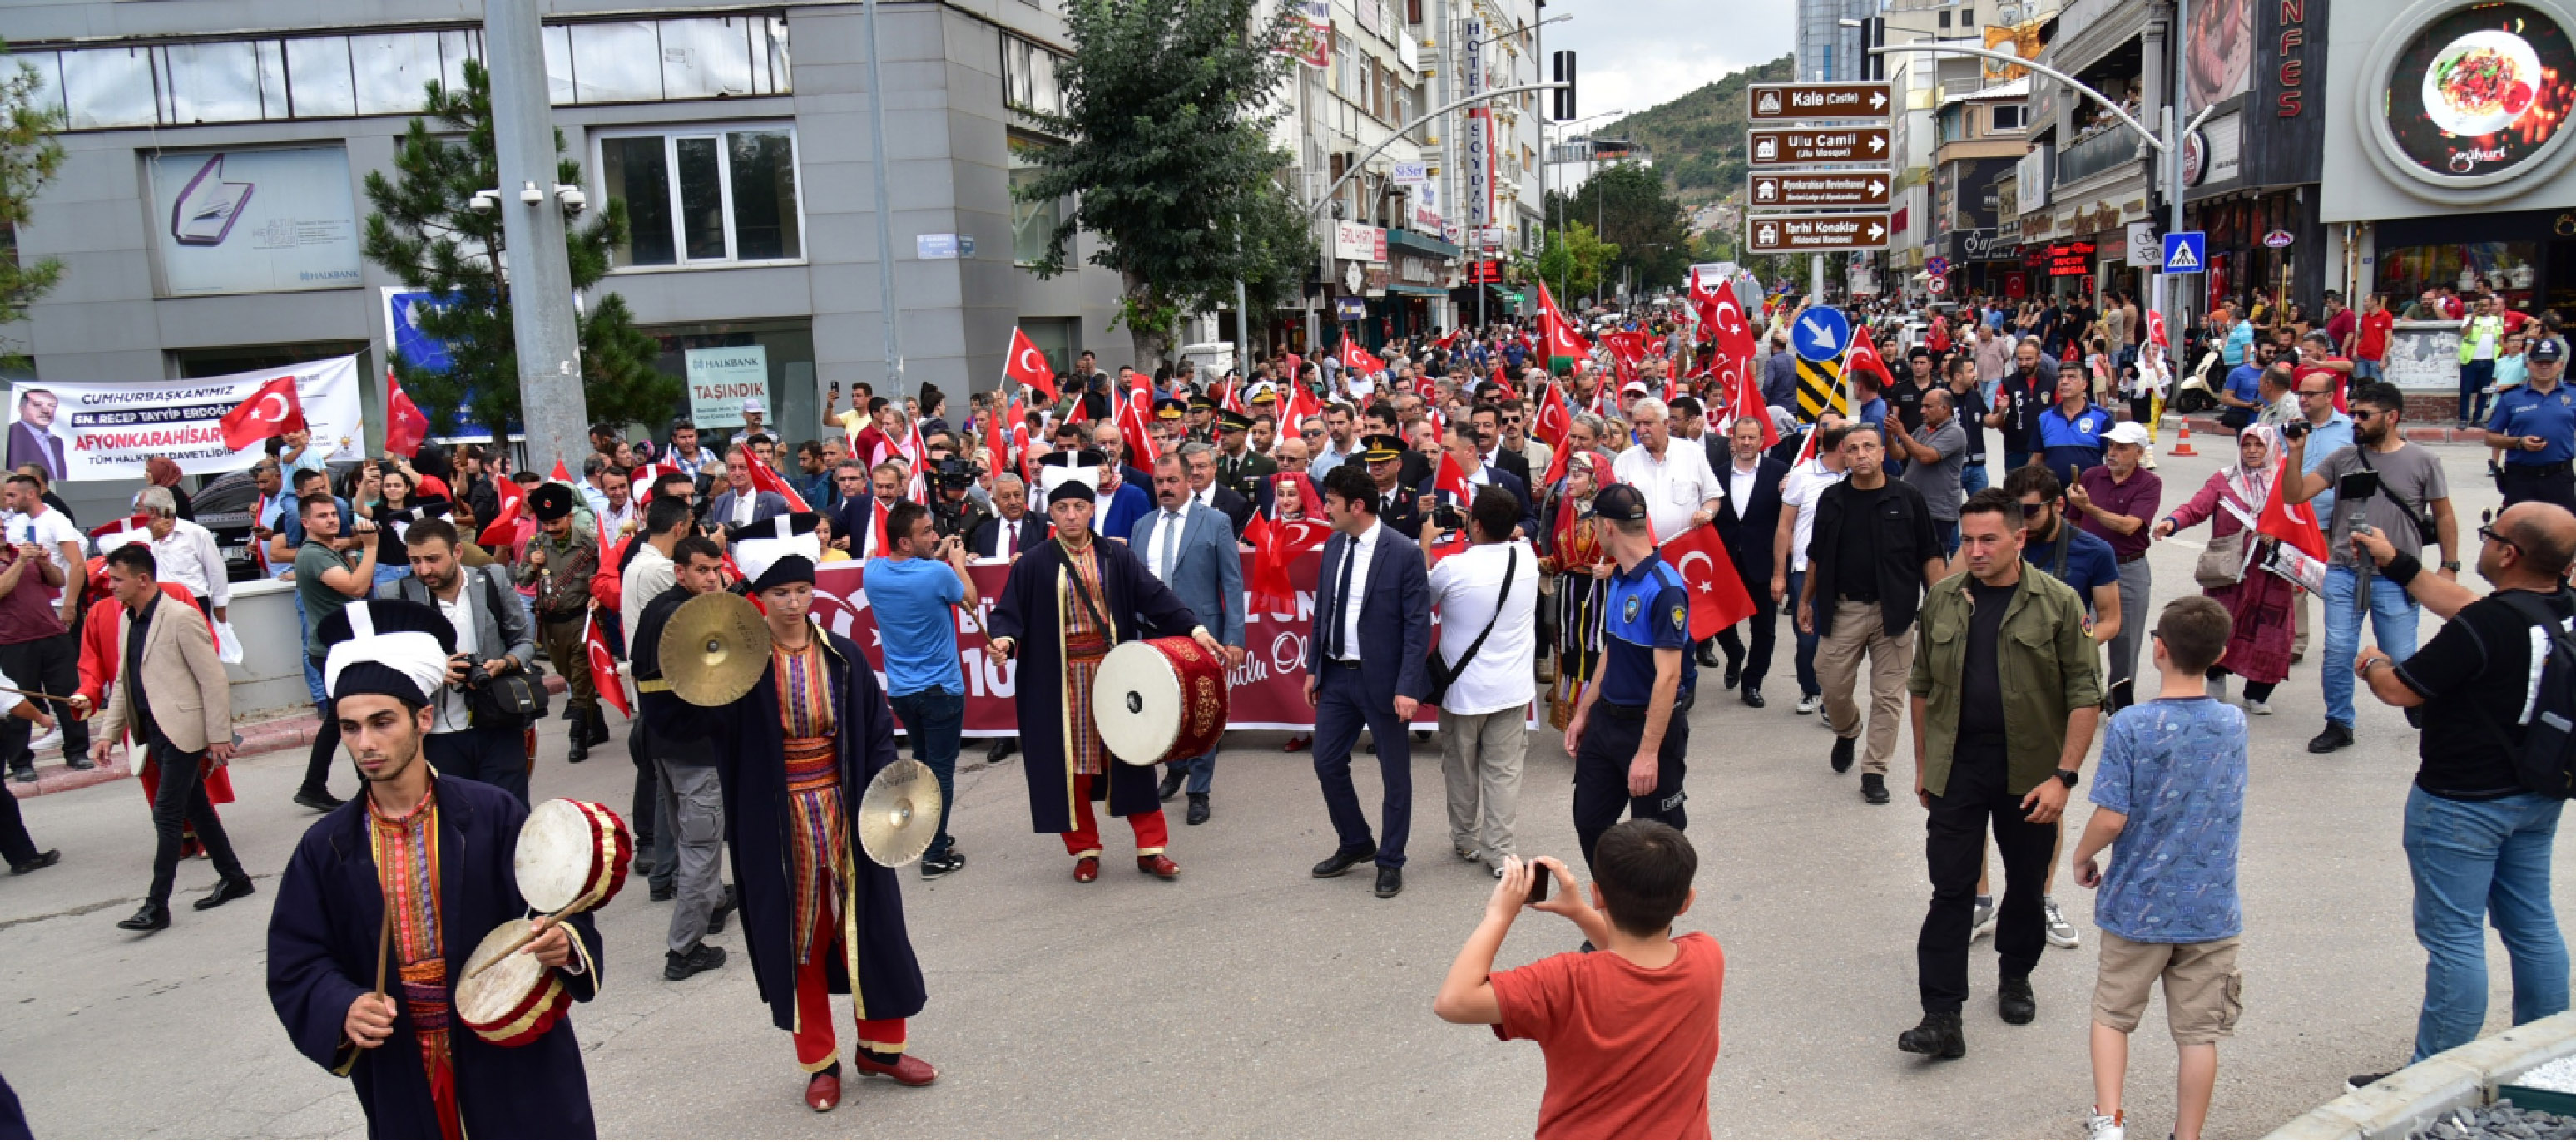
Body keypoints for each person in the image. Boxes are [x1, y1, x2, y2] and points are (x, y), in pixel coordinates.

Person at [267, 597, 605, 1139]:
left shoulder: (491, 814)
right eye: (350, 728)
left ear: (423, 717)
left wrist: (564, 941)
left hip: (507, 1050)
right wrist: (343, 1005)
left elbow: (558, 906)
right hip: (402, 1064)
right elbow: (297, 958)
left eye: (382, 722)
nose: (367, 743)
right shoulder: (326, 846)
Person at [2341, 504, 2576, 1083]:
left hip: (2460, 802)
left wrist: (2372, 663)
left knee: (2454, 936)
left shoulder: (2485, 627)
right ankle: (2544, 1060)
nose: (2485, 541)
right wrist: (2399, 564)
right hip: (2536, 791)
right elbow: (2471, 606)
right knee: (2532, 922)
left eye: (2491, 533)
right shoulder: (2559, 608)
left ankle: (2433, 1075)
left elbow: (2401, 689)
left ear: (2510, 553)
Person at [1900, 488, 2103, 1060]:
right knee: (1951, 889)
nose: (1975, 549)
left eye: (1988, 539)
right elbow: (1921, 685)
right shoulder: (1943, 597)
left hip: (2031, 767)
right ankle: (1942, 1014)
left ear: (2020, 538)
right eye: (1966, 539)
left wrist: (2064, 776)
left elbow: (2087, 693)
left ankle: (2016, 973)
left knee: (2024, 880)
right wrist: (1922, 764)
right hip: (1957, 764)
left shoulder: (2059, 603)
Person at [986, 452, 1219, 882]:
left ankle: (1152, 848)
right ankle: (1085, 850)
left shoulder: (1115, 555)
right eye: (1062, 508)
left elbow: (1156, 597)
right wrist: (1003, 639)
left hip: (1115, 675)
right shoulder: (1035, 562)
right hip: (1059, 682)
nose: (1071, 515)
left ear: (1092, 509)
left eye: (1079, 507)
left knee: (1132, 758)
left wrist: (1196, 629)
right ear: (1051, 513)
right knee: (1070, 765)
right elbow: (1008, 613)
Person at [2071, 596, 2248, 1142]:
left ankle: (2110, 1120)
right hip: (2211, 906)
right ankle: (2188, 1135)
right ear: (2220, 653)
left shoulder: (2131, 726)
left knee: (2112, 1012)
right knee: (2198, 1033)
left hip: (2137, 902)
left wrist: (2083, 855)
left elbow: (2112, 815)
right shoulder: (2232, 723)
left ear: (2158, 649)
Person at [1430, 824, 1724, 1141]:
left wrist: (1499, 916)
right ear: (1686, 901)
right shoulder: (1706, 957)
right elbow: (1630, 961)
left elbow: (1454, 1002)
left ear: (1597, 894)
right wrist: (1580, 913)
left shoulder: (1566, 981)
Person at [2281, 380, 2460, 754]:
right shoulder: (2344, 459)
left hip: (2396, 575)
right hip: (2345, 571)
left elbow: (2444, 515)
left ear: (2391, 417)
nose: (2355, 421)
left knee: (2401, 653)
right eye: (2354, 413)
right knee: (2339, 650)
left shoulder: (2423, 461)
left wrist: (2449, 566)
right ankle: (2339, 722)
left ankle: (2418, 702)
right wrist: (2295, 453)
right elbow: (2295, 495)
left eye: (2363, 415)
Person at [87, 545, 248, 932]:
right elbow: (125, 682)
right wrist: (109, 733)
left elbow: (212, 679)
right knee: (197, 807)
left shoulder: (180, 617)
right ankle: (235, 877)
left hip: (183, 731)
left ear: (142, 580)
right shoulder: (128, 619)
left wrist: (219, 735)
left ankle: (156, 905)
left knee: (167, 813)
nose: (110, 586)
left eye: (117, 579)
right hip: (151, 732)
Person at [1305, 462, 1434, 899]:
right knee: (1326, 762)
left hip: (1384, 682)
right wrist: (1312, 667)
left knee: (1394, 776)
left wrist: (1408, 687)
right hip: (1337, 677)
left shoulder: (1403, 553)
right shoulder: (1333, 546)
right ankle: (1356, 841)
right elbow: (1323, 610)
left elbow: (1418, 628)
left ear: (1356, 505)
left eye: (1332, 502)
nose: (1325, 509)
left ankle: (1391, 860)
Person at [1802, 424, 1947, 805]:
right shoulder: (1831, 500)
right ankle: (1848, 730)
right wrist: (1805, 600)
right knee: (1830, 684)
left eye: (1869, 447)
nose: (1862, 454)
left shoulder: (1908, 497)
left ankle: (1874, 770)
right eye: (1853, 449)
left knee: (1889, 697)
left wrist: (1942, 606)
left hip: (1894, 613)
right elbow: (1816, 555)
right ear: (1844, 457)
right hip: (1843, 608)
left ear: (1883, 453)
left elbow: (1930, 554)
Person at [1559, 484, 1697, 868]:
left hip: (1648, 728)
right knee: (1590, 822)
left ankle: (1650, 925)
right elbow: (1611, 650)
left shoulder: (1665, 589)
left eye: (1595, 525)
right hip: (1606, 722)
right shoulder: (1619, 576)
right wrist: (1585, 712)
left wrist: (1648, 754)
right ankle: (1612, 915)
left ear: (1608, 527)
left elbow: (1668, 679)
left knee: (1655, 840)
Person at [372, 519, 537, 804]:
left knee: (510, 817)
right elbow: (386, 666)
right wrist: (434, 672)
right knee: (453, 826)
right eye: (415, 561)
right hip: (435, 734)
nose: (424, 570)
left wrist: (505, 663)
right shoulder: (394, 595)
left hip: (498, 724)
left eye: (433, 559)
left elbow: (523, 641)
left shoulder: (492, 581)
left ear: (457, 551)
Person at [1426, 485, 1539, 877]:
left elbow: (1420, 600)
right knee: (1504, 771)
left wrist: (1427, 544)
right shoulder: (1527, 558)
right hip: (1512, 690)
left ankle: (1466, 838)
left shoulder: (1453, 568)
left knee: (1461, 767)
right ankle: (1501, 850)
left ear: (1474, 524)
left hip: (1463, 692)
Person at [1132, 454, 1246, 824]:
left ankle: (1200, 789)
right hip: (1152, 633)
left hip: (1202, 634)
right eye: (1159, 481)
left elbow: (1232, 582)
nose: (1165, 488)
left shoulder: (1215, 522)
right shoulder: (1142, 526)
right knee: (1162, 710)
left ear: (1188, 481)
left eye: (1172, 480)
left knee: (1202, 710)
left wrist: (1235, 639)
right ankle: (1175, 768)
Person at [867, 502, 978, 875]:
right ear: (903, 541)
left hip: (902, 691)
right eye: (926, 532)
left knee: (924, 764)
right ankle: (933, 852)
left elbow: (877, 557)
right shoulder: (936, 574)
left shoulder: (874, 573)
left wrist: (935, 554)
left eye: (933, 529)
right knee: (941, 771)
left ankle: (931, 834)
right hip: (940, 689)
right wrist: (957, 563)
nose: (934, 537)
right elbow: (970, 599)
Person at [291, 492, 376, 811]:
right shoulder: (313, 555)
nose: (331, 519)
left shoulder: (325, 549)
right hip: (331, 650)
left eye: (333, 514)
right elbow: (356, 586)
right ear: (306, 521)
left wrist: (354, 548)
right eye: (322, 515)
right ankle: (366, 787)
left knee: (339, 717)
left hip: (338, 646)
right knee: (348, 715)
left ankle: (316, 785)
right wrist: (370, 547)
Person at [516, 484, 607, 763]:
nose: (551, 529)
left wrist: (598, 597)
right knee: (571, 676)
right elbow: (521, 581)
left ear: (569, 516)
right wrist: (532, 566)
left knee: (580, 680)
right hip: (552, 626)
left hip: (582, 619)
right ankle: (598, 723)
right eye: (546, 523)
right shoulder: (536, 545)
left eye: (556, 522)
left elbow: (605, 578)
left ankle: (577, 737)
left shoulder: (590, 544)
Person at [2073, 423, 2162, 708]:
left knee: (2125, 642)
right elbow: (2072, 522)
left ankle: (2119, 706)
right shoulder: (2091, 476)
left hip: (2128, 567)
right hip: (2089, 567)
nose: (2112, 453)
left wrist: (2090, 509)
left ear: (2139, 452)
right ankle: (2082, 697)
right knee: (2078, 631)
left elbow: (2129, 526)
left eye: (2121, 448)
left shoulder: (2149, 483)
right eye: (2111, 446)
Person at [1710, 417, 1789, 706]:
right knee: (1718, 621)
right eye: (1741, 437)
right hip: (1725, 562)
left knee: (1764, 628)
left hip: (1763, 563)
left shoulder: (1779, 473)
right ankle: (1734, 653)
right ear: (1732, 439)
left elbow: (1788, 519)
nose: (1745, 443)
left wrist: (1782, 571)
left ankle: (1752, 682)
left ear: (1761, 440)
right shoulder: (1715, 475)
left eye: (1751, 438)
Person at [1776, 420, 1850, 717]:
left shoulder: (1860, 476)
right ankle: (1810, 689)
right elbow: (1784, 526)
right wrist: (1779, 574)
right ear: (1842, 447)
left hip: (1847, 573)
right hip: (1805, 572)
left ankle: (1833, 703)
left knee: (1841, 644)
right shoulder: (1803, 476)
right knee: (1808, 640)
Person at [2486, 336, 2576, 511]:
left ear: (2561, 364)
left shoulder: (2573, 395)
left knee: (2564, 534)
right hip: (2521, 477)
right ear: (2528, 364)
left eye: (2549, 363)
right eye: (2539, 362)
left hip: (2559, 477)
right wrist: (2519, 442)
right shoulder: (2511, 398)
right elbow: (2490, 437)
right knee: (2519, 534)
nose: (2544, 367)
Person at [133, 487, 228, 620]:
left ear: (152, 511)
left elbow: (216, 571)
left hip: (192, 603)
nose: (135, 515)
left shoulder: (196, 533)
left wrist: (220, 606)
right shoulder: (141, 538)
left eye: (138, 509)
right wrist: (152, 538)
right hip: (155, 604)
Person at [1897, 387, 1969, 553]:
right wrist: (1891, 435)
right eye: (1922, 406)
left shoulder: (1955, 433)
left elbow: (1927, 457)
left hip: (1937, 512)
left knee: (1933, 561)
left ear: (1945, 408)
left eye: (1928, 407)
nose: (1922, 411)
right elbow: (1899, 454)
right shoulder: (1923, 429)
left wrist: (1903, 435)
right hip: (1914, 507)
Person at [2037, 363, 2116, 485]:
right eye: (2061, 377)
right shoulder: (2044, 418)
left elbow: (2112, 457)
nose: (2064, 382)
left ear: (2084, 384)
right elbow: (2037, 458)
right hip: (2053, 494)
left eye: (2072, 377)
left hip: (2090, 492)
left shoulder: (2102, 417)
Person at [2461, 293, 2509, 426]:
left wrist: (2502, 357)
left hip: (2489, 360)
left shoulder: (2498, 320)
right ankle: (2464, 419)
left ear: (2490, 307)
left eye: (2486, 305)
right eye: (2480, 305)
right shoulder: (2469, 318)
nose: (2483, 308)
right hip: (2470, 360)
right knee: (2466, 391)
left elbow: (2500, 340)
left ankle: (2477, 419)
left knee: (2484, 392)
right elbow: (2464, 333)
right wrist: (2472, 318)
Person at [6, 388, 64, 482]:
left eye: (51, 405)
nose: (45, 410)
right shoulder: (10, 434)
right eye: (37, 405)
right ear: (21, 408)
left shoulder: (56, 442)